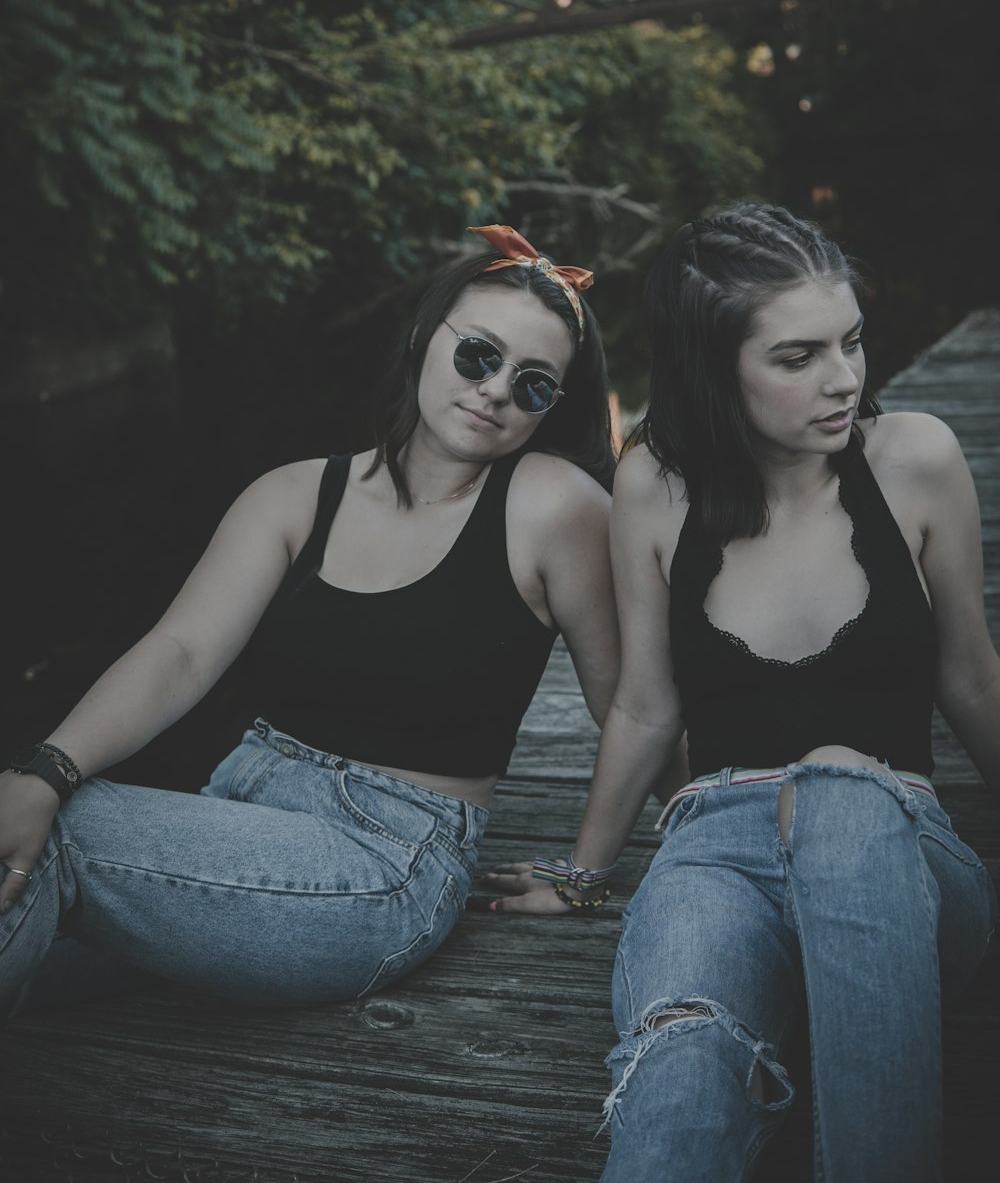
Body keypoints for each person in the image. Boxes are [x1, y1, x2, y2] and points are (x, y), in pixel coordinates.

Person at [487, 203, 1000, 1182]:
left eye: (849, 341)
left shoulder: (917, 461)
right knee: (683, 1054)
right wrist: (585, 876)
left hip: (896, 851)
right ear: (712, 366)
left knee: (839, 783)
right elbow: (645, 704)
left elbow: (971, 674)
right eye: (797, 357)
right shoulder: (652, 488)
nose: (843, 378)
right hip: (717, 847)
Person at [0, 224, 622, 1020]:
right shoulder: (294, 496)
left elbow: (633, 705)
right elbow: (182, 653)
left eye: (534, 384)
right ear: (423, 341)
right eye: (478, 355)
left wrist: (587, 876)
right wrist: (46, 767)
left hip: (383, 862)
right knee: (32, 960)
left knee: (59, 836)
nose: (497, 389)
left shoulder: (554, 506)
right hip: (235, 809)